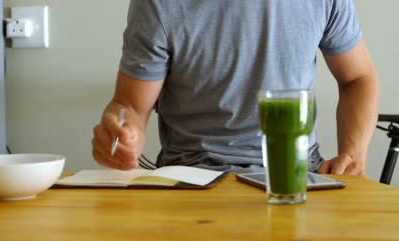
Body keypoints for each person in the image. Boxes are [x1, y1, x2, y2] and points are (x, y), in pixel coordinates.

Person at [92, 0, 379, 176]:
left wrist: (353, 157)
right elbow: (130, 106)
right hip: (192, 180)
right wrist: (121, 134)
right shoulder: (158, 3)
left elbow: (358, 78)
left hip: (298, 175)